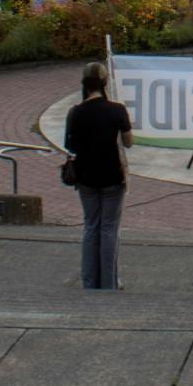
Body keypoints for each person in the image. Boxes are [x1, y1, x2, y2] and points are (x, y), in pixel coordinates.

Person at [64, 61, 133, 290]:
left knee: (91, 226)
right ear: (105, 83)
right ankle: (109, 283)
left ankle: (89, 282)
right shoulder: (116, 110)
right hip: (112, 176)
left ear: (84, 84)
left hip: (85, 177)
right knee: (109, 228)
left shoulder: (75, 113)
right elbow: (128, 142)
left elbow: (69, 146)